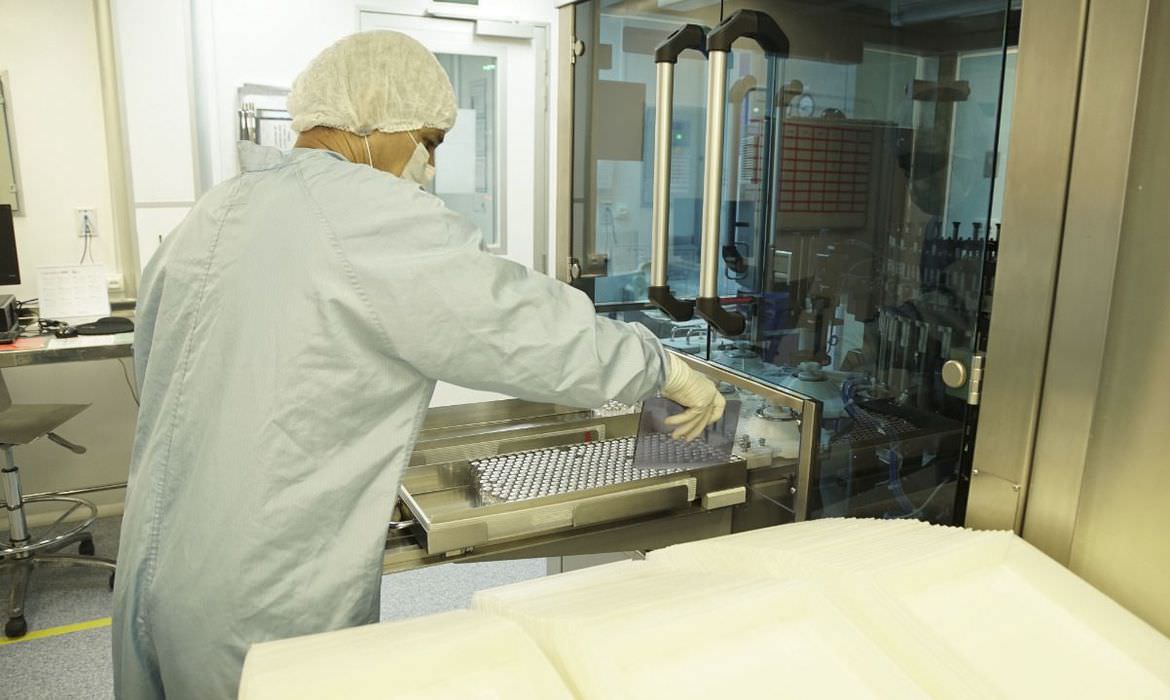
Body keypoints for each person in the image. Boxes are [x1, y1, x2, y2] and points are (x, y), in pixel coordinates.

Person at [111, 31, 724, 699]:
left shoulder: (215, 210)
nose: (429, 168)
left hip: (153, 572)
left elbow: (168, 373)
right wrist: (661, 367)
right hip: (260, 596)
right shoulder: (364, 214)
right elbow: (514, 323)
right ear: (375, 113)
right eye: (429, 141)